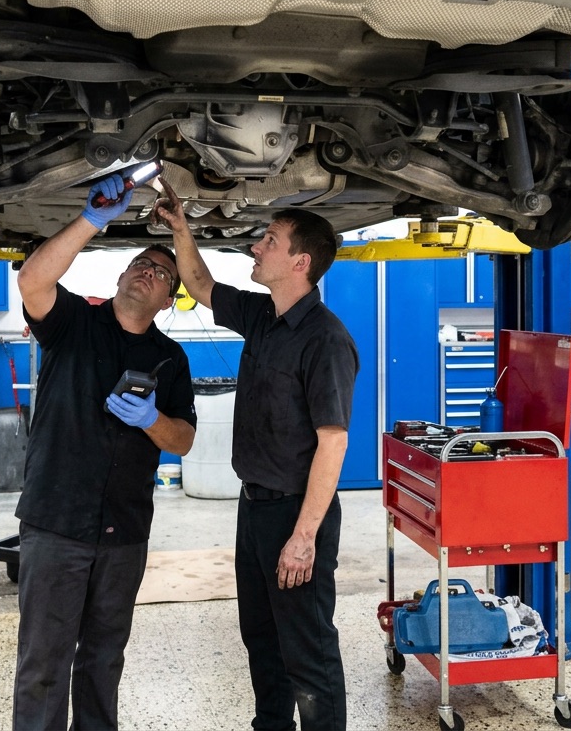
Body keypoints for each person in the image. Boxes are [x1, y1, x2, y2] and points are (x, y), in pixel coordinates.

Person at [153, 181, 359, 731]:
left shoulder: (325, 339)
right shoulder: (264, 315)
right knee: (261, 638)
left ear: (301, 262)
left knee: (308, 649)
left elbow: (333, 442)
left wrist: (304, 536)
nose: (255, 247)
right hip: (255, 508)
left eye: (269, 240)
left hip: (296, 514)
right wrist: (179, 227)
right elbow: (198, 285)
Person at [12, 171, 197, 731]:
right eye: (142, 262)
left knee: (102, 661)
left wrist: (153, 420)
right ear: (121, 274)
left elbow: (185, 439)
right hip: (55, 525)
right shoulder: (73, 324)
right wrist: (92, 220)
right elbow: (32, 282)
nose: (149, 271)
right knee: (43, 664)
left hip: (123, 533)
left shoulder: (172, 358)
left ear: (169, 298)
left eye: (163, 273)